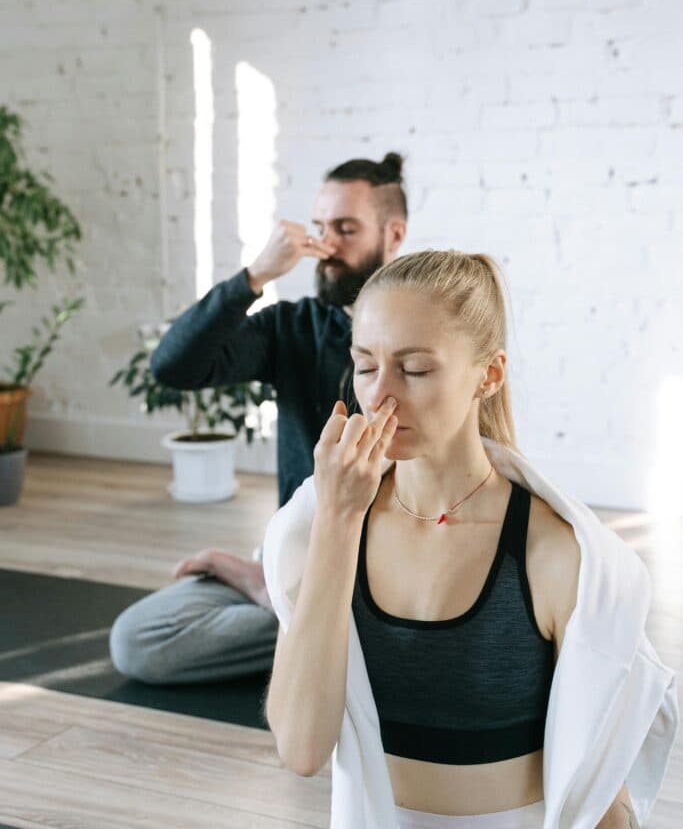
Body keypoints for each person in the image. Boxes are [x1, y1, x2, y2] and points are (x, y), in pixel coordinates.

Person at [263, 250, 678, 829]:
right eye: (364, 366)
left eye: (414, 369)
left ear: (489, 374)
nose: (381, 394)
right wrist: (337, 520)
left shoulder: (554, 557)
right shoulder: (322, 527)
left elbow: (596, 788)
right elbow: (302, 750)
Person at [108, 152, 408, 684]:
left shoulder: (422, 336)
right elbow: (172, 366)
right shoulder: (294, 328)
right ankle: (284, 604)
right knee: (137, 639)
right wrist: (253, 276)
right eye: (320, 228)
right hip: (294, 555)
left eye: (346, 229)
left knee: (394, 624)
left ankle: (293, 608)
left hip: (384, 576)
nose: (327, 245)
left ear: (394, 235)